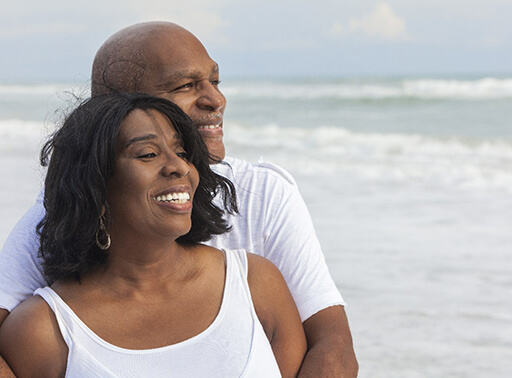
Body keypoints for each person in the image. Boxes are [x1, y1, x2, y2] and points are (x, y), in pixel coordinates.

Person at [0, 22, 358, 376]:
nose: (216, 99)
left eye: (215, 81)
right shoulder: (59, 226)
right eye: (186, 85)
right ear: (110, 112)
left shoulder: (261, 203)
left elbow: (334, 347)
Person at [0, 93, 307, 377]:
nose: (178, 167)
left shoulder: (255, 284)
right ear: (95, 187)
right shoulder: (44, 330)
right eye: (147, 154)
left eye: (181, 151)